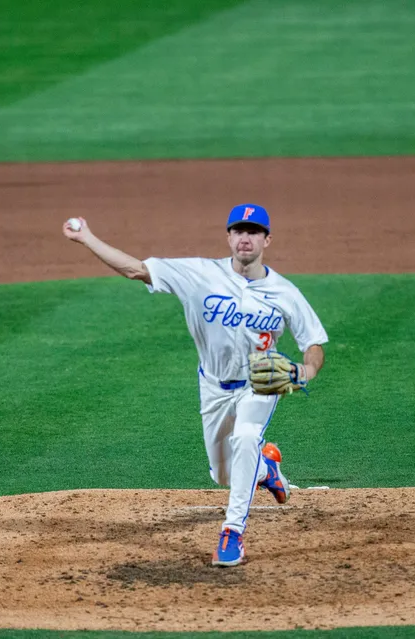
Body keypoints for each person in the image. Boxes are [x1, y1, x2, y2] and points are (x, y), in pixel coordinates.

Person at [62, 204, 328, 567]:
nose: (245, 238)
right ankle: (267, 470)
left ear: (267, 239)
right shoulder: (199, 274)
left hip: (259, 383)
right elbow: (135, 269)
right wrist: (87, 238)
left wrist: (306, 372)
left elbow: (313, 343)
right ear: (229, 237)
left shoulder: (285, 292)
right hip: (213, 387)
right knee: (223, 474)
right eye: (238, 231)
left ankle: (232, 533)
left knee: (247, 437)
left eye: (253, 231)